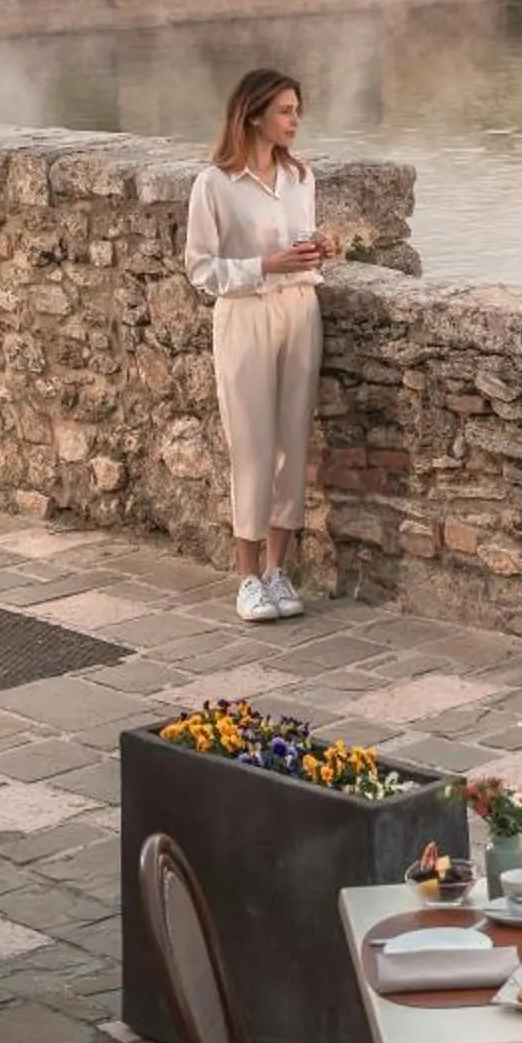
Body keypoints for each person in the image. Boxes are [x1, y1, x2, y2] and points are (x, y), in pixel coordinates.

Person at [183, 69, 340, 626]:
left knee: (292, 444)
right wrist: (263, 267)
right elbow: (200, 268)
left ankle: (278, 570)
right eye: (285, 111)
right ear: (252, 115)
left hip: (300, 310)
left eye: (298, 110)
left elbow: (300, 244)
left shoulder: (301, 177)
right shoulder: (215, 185)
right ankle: (246, 577)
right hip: (245, 316)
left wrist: (322, 248)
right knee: (251, 445)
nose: (295, 120)